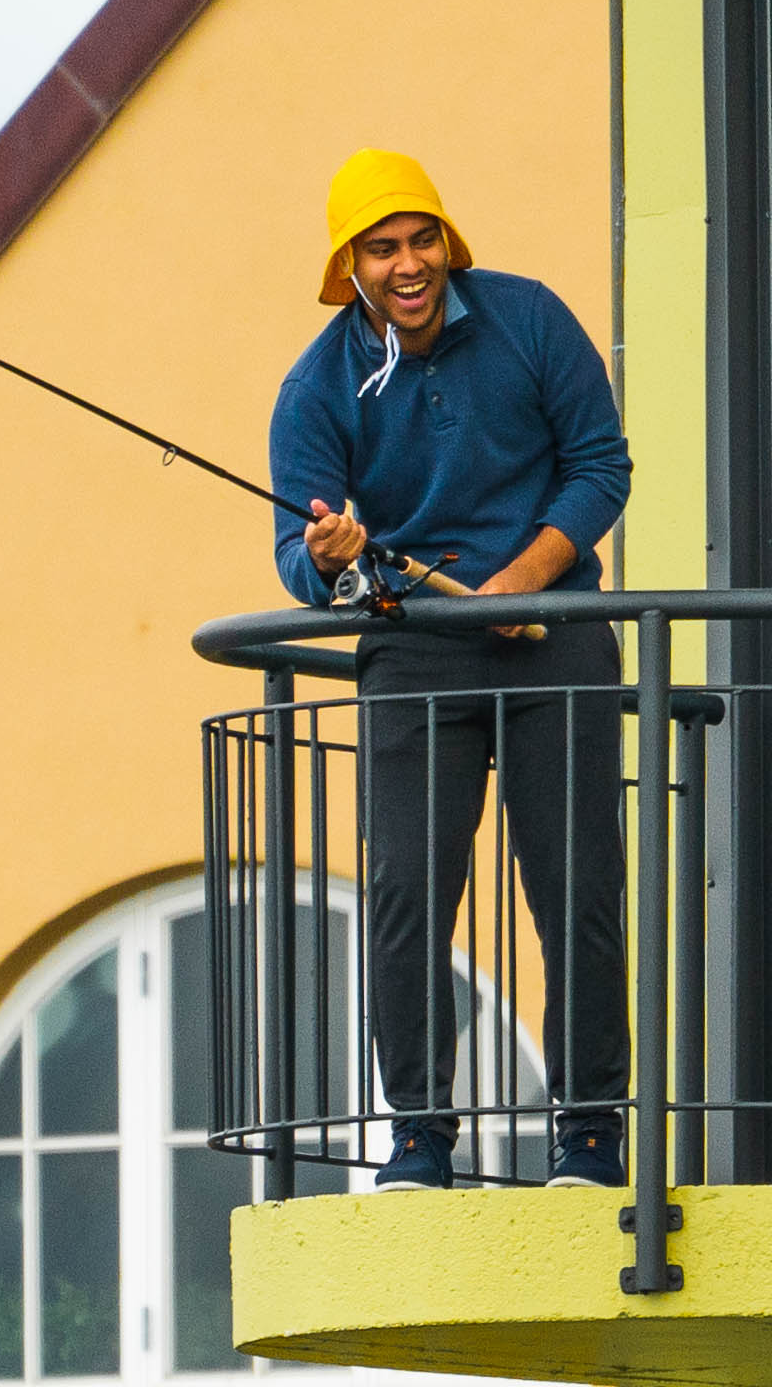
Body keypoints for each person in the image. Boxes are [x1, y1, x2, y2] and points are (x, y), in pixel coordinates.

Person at [268, 148, 633, 1195]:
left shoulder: (531, 319)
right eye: (381, 248)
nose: (408, 264)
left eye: (421, 238)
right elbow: (298, 557)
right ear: (349, 268)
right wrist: (332, 559)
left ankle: (589, 1133)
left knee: (579, 888)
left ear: (447, 241)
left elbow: (601, 465)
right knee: (406, 894)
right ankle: (421, 1136)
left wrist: (525, 580)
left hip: (557, 631)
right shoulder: (315, 387)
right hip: (414, 647)